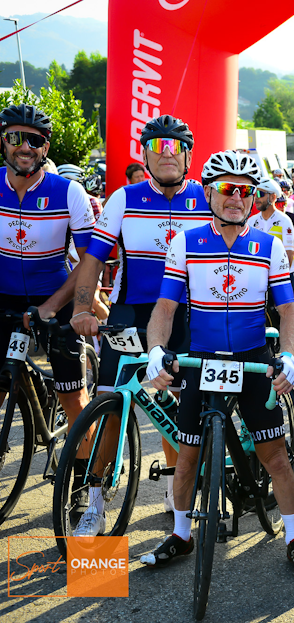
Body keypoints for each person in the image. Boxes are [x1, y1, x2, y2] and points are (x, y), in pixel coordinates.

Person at [140, 150, 294, 570]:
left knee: (275, 457)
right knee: (187, 459)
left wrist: (288, 355)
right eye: (225, 188)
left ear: (253, 197)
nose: (235, 197)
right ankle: (181, 535)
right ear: (208, 193)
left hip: (253, 359)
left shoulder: (269, 246)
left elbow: (289, 312)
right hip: (202, 361)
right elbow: (165, 308)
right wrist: (156, 350)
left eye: (244, 190)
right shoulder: (186, 242)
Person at [70, 115, 207, 531]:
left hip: (186, 313)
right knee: (111, 408)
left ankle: (176, 488)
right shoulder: (124, 197)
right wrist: (82, 309)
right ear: (144, 154)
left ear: (187, 156)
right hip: (131, 311)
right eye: (157, 146)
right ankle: (95, 500)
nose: (167, 153)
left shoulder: (206, 196)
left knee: (181, 408)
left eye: (175, 147)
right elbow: (93, 258)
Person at [0, 104, 94, 483]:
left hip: (56, 299)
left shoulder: (69, 192)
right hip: (4, 298)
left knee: (74, 400)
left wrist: (54, 305)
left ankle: (89, 489)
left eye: (34, 140)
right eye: (15, 137)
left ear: (45, 147)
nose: (25, 147)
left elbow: (90, 262)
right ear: (3, 141)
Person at [252, 178, 294, 376]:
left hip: (283, 276)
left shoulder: (284, 220)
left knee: (292, 317)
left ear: (273, 197)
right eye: (255, 193)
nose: (256, 198)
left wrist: (275, 277)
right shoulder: (252, 221)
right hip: (260, 277)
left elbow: (288, 254)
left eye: (260, 194)